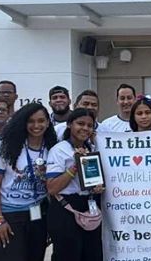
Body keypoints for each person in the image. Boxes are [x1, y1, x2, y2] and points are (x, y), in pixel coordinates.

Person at [0, 103, 57, 261]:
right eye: (31, 121)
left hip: (38, 213)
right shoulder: (8, 146)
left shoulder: (52, 147)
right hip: (10, 215)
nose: (36, 125)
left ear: (48, 122)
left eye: (41, 121)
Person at [46, 108, 103, 261]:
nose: (85, 128)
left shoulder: (93, 149)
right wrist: (75, 166)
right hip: (65, 209)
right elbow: (52, 188)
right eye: (80, 123)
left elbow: (95, 180)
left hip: (89, 205)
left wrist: (98, 188)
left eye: (89, 125)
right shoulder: (59, 150)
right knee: (67, 255)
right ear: (70, 124)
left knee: (92, 255)